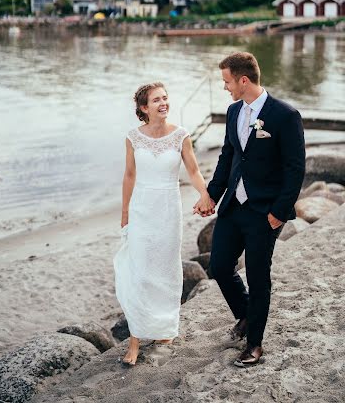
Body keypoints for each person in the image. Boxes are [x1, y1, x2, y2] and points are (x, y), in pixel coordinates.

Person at [194, 52, 305, 367]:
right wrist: (211, 195)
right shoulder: (233, 112)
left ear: (243, 80)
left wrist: (280, 211)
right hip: (233, 207)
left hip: (265, 212)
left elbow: (295, 168)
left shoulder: (285, 115)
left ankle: (254, 343)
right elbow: (228, 157)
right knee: (219, 266)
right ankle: (245, 315)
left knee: (258, 277)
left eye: (227, 81)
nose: (225, 87)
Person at [114, 82, 211, 366]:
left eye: (165, 98)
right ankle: (135, 340)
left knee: (166, 270)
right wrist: (125, 213)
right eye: (157, 100)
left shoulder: (181, 136)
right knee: (140, 272)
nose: (163, 103)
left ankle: (163, 328)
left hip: (169, 210)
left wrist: (205, 194)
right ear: (144, 108)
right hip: (142, 209)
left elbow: (193, 170)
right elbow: (129, 176)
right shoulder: (133, 137)